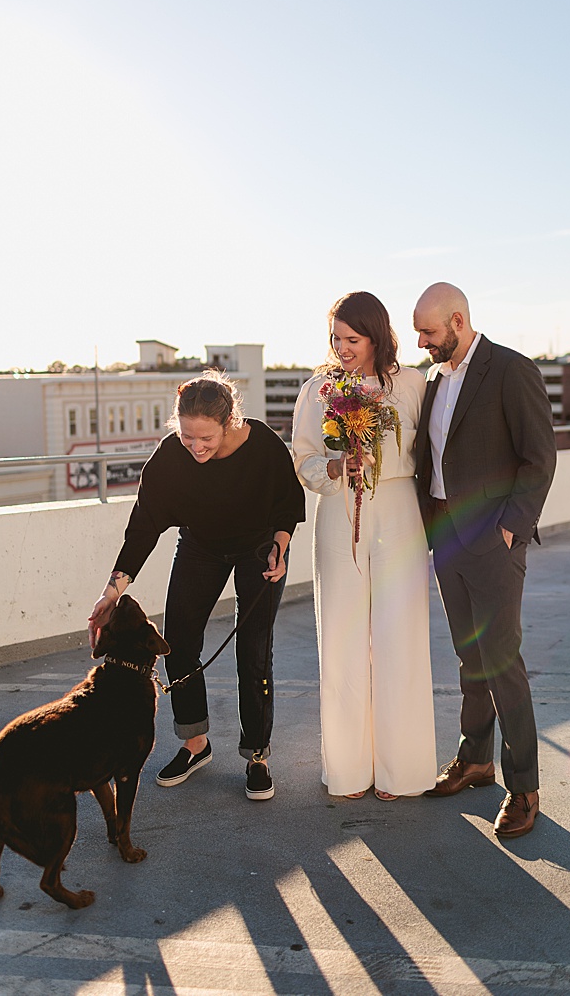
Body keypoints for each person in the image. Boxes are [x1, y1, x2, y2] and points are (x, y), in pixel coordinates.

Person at [87, 372, 306, 801]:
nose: (196, 446)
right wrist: (112, 589)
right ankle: (195, 743)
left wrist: (280, 548)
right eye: (187, 436)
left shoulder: (263, 446)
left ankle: (256, 754)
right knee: (179, 642)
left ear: (230, 422)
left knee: (254, 651)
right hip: (201, 547)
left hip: (258, 548)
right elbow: (144, 525)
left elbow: (286, 506)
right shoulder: (172, 456)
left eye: (205, 437)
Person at [412, 282, 556, 838]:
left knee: (502, 662)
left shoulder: (512, 371)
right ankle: (475, 760)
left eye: (428, 332)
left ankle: (524, 787)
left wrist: (511, 528)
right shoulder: (432, 379)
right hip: (447, 536)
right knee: (469, 656)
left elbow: (538, 459)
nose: (422, 342)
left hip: (494, 541)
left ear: (457, 320)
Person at [291, 292, 434, 800]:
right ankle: (348, 769)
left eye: (352, 339)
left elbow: (433, 455)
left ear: (377, 336)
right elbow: (303, 459)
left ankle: (405, 770)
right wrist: (333, 467)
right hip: (338, 517)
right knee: (342, 640)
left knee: (402, 638)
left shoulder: (414, 384)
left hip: (398, 515)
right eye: (336, 338)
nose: (343, 348)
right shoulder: (317, 390)